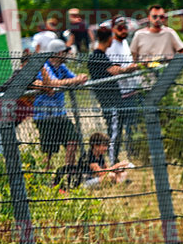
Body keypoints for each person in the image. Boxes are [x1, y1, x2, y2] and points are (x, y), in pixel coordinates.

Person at [31, 39, 88, 171]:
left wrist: (79, 78)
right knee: (49, 150)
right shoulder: (44, 66)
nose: (67, 55)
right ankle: (46, 175)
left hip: (59, 113)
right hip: (44, 115)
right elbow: (52, 83)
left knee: (72, 140)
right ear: (57, 53)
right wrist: (74, 80)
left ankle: (69, 171)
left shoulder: (62, 67)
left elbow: (77, 78)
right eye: (64, 52)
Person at [88, 27, 138, 164]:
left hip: (112, 101)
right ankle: (112, 163)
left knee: (116, 132)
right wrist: (128, 69)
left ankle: (113, 160)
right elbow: (114, 71)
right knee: (114, 134)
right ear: (109, 38)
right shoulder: (97, 56)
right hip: (110, 102)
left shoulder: (101, 55)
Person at [105, 15, 142, 159]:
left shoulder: (125, 42)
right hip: (120, 93)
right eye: (120, 28)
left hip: (132, 90)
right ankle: (114, 158)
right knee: (118, 128)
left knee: (132, 126)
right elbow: (113, 69)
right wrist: (128, 69)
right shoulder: (111, 45)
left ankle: (134, 154)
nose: (123, 30)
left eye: (125, 27)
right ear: (114, 29)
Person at [55, 132, 133, 189]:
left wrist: (119, 169)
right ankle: (119, 186)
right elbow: (101, 172)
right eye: (104, 146)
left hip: (95, 179)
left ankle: (119, 186)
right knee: (110, 176)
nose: (106, 148)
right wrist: (117, 166)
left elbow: (107, 169)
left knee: (122, 173)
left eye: (107, 146)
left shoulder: (100, 156)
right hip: (84, 182)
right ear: (95, 145)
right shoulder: (89, 157)